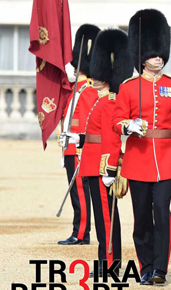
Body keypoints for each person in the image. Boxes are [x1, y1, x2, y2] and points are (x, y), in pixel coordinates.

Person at [112, 9, 171, 286]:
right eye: (154, 54)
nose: (159, 58)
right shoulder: (129, 87)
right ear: (142, 57)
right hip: (138, 158)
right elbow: (116, 120)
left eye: (161, 54)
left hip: (167, 160)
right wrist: (127, 126)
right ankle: (145, 265)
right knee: (142, 216)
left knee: (162, 213)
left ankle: (160, 268)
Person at [62, 29, 133, 277]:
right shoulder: (100, 99)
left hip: (102, 166)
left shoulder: (112, 100)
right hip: (91, 162)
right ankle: (106, 261)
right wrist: (77, 138)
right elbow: (94, 134)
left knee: (106, 218)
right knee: (103, 219)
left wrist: (110, 169)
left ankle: (110, 264)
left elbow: (112, 139)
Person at [58, 24, 100, 246]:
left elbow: (86, 122)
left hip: (78, 148)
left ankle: (81, 232)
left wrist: (81, 146)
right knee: (76, 193)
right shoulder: (77, 90)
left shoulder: (88, 90)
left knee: (80, 193)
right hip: (70, 146)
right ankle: (79, 229)